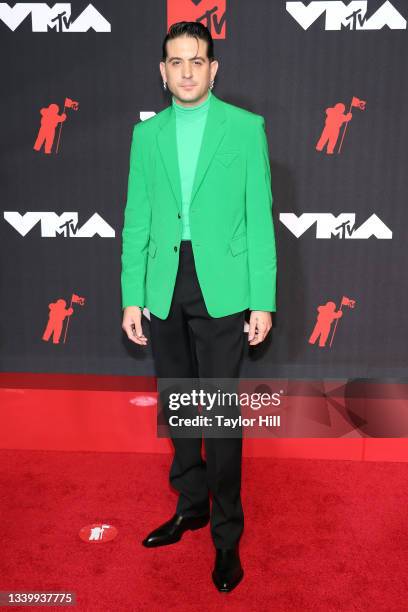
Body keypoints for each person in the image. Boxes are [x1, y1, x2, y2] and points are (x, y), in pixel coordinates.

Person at [121, 21, 277, 593]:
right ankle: (190, 506)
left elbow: (261, 221)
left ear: (214, 69)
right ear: (162, 73)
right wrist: (131, 294)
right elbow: (136, 219)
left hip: (223, 284)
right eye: (175, 61)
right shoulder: (147, 136)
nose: (186, 71)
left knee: (216, 412)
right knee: (180, 403)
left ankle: (227, 537)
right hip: (163, 282)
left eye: (197, 60)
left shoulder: (245, 127)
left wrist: (262, 300)